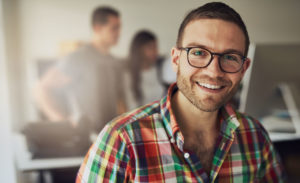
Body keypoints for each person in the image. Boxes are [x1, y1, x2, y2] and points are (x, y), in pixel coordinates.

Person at [76, 2, 285, 182]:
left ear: (244, 68)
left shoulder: (255, 136)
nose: (214, 71)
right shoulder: (121, 140)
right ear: (175, 60)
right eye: (198, 53)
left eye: (230, 57)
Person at [35, 6, 125, 132]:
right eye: (114, 28)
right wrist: (61, 121)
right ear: (97, 28)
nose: (119, 33)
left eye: (119, 28)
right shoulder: (78, 58)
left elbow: (119, 102)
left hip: (109, 135)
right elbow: (42, 88)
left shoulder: (113, 62)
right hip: (86, 136)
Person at [125, 30, 166, 110]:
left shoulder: (160, 69)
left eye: (156, 47)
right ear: (139, 50)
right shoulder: (128, 76)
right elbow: (131, 106)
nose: (156, 51)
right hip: (141, 119)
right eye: (151, 47)